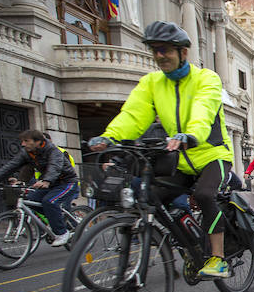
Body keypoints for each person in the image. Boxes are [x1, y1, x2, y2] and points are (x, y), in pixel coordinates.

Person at [89, 21, 235, 277]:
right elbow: (134, 115)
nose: (159, 56)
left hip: (213, 156)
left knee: (203, 195)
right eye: (154, 50)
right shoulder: (151, 83)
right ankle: (190, 249)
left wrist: (190, 135)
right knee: (154, 199)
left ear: (183, 53)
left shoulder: (206, 78)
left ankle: (218, 258)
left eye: (165, 50)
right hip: (180, 161)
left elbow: (203, 110)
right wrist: (110, 137)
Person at [0, 129, 79, 246]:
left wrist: (46, 180)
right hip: (50, 184)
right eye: (22, 141)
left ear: (38, 141)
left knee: (49, 201)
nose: (22, 144)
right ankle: (55, 218)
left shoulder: (52, 150)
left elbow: (55, 166)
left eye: (26, 141)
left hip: (66, 183)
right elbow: (11, 166)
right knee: (29, 201)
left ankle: (62, 233)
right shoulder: (28, 153)